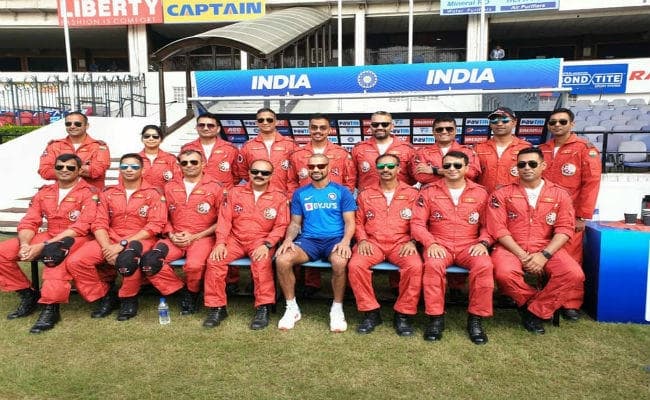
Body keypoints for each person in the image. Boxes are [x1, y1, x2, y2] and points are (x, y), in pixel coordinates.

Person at [486, 147, 584, 335]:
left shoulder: (560, 194)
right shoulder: (502, 193)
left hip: (545, 246)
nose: (527, 168)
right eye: (522, 164)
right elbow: (498, 229)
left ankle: (534, 312)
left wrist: (544, 255)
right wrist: (523, 256)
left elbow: (565, 228)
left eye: (532, 164)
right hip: (510, 246)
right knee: (504, 274)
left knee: (573, 274)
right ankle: (534, 304)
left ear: (543, 165)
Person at [0, 154, 97, 333]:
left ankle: (50, 308)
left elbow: (82, 226)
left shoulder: (89, 193)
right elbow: (30, 220)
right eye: (60, 167)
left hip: (77, 237)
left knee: (54, 258)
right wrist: (25, 244)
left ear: (79, 170)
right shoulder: (44, 192)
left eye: (70, 167)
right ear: (54, 169)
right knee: (2, 252)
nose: (64, 170)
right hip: (50, 233)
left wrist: (43, 246)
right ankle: (28, 294)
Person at [65, 153, 167, 321]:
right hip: (110, 238)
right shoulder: (108, 192)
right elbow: (99, 222)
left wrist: (122, 244)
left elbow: (155, 225)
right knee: (76, 261)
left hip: (140, 238)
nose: (129, 170)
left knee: (129, 260)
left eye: (134, 166)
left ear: (142, 170)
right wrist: (107, 247)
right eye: (124, 166)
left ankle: (128, 299)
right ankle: (104, 296)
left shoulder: (154, 193)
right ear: (119, 169)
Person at [411, 151, 494, 344]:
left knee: (484, 266)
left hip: (470, 244)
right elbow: (417, 223)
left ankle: (475, 320)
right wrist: (430, 243)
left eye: (457, 165)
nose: (452, 169)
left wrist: (483, 242)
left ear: (466, 168)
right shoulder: (429, 191)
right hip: (439, 243)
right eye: (447, 165)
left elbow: (489, 225)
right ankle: (435, 318)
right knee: (433, 266)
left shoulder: (481, 192)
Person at [275, 153, 356, 332]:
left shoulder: (342, 191)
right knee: (282, 259)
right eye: (311, 167)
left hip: (335, 240)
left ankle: (337, 308)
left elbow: (350, 222)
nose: (316, 169)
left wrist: (345, 242)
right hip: (309, 240)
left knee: (340, 262)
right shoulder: (300, 193)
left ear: (329, 168)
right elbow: (295, 223)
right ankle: (291, 308)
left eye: (320, 166)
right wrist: (288, 239)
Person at [204, 159, 289, 330]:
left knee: (262, 263)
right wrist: (220, 243)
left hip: (261, 240)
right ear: (249, 173)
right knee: (214, 261)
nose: (259, 175)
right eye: (255, 171)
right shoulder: (234, 192)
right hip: (235, 239)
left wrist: (267, 245)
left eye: (264, 173)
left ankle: (263, 307)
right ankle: (217, 308)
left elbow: (281, 225)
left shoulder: (279, 196)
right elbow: (224, 221)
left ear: (271, 175)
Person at [138, 150, 224, 316]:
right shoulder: (169, 186)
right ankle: (183, 291)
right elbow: (162, 216)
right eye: (184, 163)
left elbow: (223, 220)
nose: (189, 166)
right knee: (149, 261)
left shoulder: (216, 187)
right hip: (174, 237)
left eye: (194, 162)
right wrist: (171, 234)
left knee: (194, 266)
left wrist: (196, 236)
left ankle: (193, 292)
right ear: (179, 166)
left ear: (203, 164)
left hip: (202, 237)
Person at [347, 154, 422, 336]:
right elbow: (358, 222)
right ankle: (370, 312)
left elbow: (420, 221)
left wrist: (413, 241)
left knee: (414, 266)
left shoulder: (413, 194)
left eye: (390, 166)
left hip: (402, 242)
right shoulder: (366, 193)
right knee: (356, 266)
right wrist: (362, 239)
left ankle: (403, 314)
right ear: (376, 169)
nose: (386, 170)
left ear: (399, 168)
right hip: (373, 242)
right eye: (381, 167)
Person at [539, 107, 601, 321]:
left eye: (562, 122)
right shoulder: (542, 149)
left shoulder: (584, 149)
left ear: (572, 124)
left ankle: (570, 303)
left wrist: (581, 215)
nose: (557, 125)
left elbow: (591, 183)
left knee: (571, 258)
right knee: (546, 254)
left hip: (570, 214)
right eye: (553, 122)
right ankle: (546, 296)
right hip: (543, 212)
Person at [287, 113, 355, 298]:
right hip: (305, 204)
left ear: (329, 130)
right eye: (314, 127)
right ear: (309, 129)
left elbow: (350, 180)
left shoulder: (341, 153)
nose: (318, 131)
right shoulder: (298, 154)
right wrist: (294, 199)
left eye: (322, 127)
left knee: (333, 238)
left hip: (334, 206)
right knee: (309, 237)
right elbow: (291, 181)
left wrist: (341, 201)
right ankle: (311, 283)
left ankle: (344, 286)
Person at [231, 108, 297, 293]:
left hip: (285, 200)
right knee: (260, 241)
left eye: (269, 119)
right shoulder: (248, 146)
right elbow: (243, 172)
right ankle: (259, 280)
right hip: (258, 200)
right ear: (256, 123)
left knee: (287, 240)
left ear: (276, 122)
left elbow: (295, 173)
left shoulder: (290, 145)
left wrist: (289, 196)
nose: (265, 122)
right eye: (261, 120)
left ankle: (294, 283)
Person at [38, 111, 111, 190]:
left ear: (86, 126)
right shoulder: (54, 145)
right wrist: (82, 169)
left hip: (91, 193)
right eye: (68, 124)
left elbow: (97, 171)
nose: (72, 126)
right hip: (62, 193)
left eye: (77, 124)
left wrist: (62, 169)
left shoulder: (99, 146)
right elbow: (45, 171)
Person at [351, 111, 416, 191]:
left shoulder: (407, 149)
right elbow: (352, 176)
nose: (380, 127)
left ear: (392, 126)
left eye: (384, 124)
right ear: (370, 126)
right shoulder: (359, 148)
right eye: (375, 124)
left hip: (400, 197)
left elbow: (413, 178)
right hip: (367, 197)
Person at [474, 107, 532, 194]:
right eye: (494, 121)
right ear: (490, 124)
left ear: (514, 122)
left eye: (505, 120)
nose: (499, 124)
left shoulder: (526, 147)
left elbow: (533, 177)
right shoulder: (478, 148)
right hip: (486, 198)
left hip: (515, 198)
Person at [410, 116, 481, 185]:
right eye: (439, 129)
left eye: (449, 129)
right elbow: (421, 177)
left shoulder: (468, 151)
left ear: (455, 131)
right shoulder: (422, 152)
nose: (444, 132)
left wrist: (435, 171)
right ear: (433, 132)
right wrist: (456, 173)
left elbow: (472, 174)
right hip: (431, 192)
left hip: (463, 192)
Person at [180, 113, 239, 189]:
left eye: (210, 126)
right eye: (201, 125)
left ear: (218, 129)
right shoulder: (187, 148)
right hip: (197, 192)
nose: (205, 128)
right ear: (196, 128)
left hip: (224, 193)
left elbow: (237, 174)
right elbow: (181, 172)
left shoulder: (230, 149)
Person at [135, 124, 181, 190]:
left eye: (155, 136)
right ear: (142, 139)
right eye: (147, 136)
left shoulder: (170, 158)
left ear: (161, 139)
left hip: (164, 196)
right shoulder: (134, 159)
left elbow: (178, 180)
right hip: (139, 195)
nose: (151, 138)